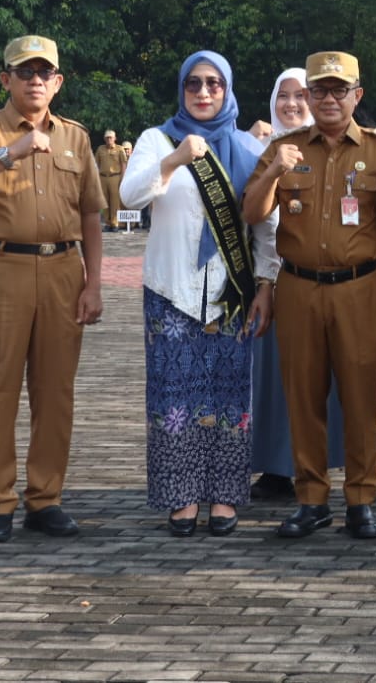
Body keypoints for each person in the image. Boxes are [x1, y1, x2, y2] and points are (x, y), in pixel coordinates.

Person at [242, 51, 376, 540]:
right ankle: (311, 498)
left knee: (362, 401)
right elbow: (253, 213)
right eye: (319, 90)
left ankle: (361, 499)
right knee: (303, 398)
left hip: (360, 289)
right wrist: (276, 170)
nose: (329, 99)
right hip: (298, 287)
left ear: (357, 95)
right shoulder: (285, 147)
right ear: (308, 95)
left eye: (340, 90)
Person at [0, 35, 105, 543]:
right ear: (5, 79)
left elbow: (91, 213)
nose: (35, 80)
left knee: (55, 393)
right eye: (24, 72)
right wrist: (9, 153)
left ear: (57, 82)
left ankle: (45, 498)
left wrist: (94, 282)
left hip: (61, 270)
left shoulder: (75, 138)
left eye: (44, 73)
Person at [121, 52, 279, 536]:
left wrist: (266, 285)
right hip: (171, 291)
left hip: (231, 295)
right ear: (181, 88)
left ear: (228, 89)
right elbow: (130, 196)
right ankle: (181, 497)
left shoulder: (248, 149)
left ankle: (226, 497)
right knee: (174, 398)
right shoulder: (157, 139)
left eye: (214, 84)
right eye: (193, 83)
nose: (204, 92)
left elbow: (266, 224)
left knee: (229, 396)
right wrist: (173, 159)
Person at [248, 68, 344, 502]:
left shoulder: (336, 148)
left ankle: (317, 463)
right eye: (283, 96)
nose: (292, 104)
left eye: (301, 95)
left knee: (321, 377)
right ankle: (276, 465)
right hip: (278, 279)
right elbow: (261, 225)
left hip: (326, 281)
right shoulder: (263, 151)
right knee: (277, 378)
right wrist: (265, 282)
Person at [95, 131, 128, 231]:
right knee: (104, 201)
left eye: (110, 137)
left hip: (115, 177)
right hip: (103, 177)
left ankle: (115, 223)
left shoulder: (120, 149)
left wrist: (122, 178)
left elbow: (123, 165)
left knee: (115, 201)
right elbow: (96, 164)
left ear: (115, 138)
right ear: (104, 139)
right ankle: (107, 223)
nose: (109, 139)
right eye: (107, 138)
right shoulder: (100, 149)